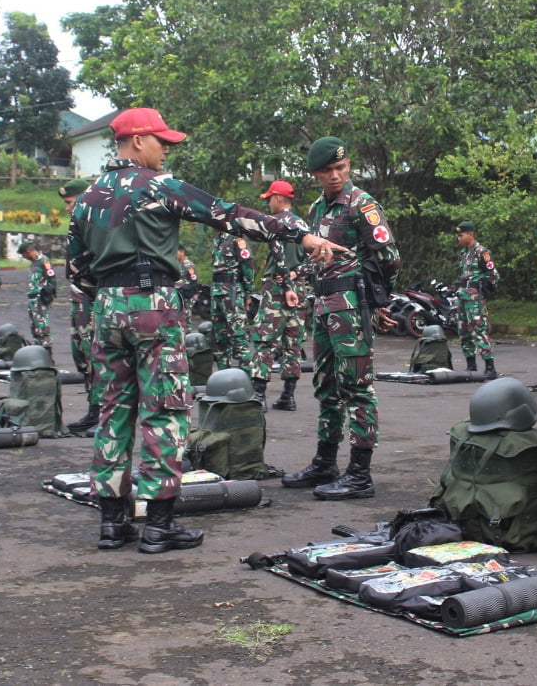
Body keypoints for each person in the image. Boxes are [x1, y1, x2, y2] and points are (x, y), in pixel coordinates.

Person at [64, 108, 343, 552]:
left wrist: (111, 294)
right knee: (164, 411)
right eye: (161, 142)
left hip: (107, 309)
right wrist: (298, 235)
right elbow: (227, 215)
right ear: (138, 140)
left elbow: (76, 272)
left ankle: (113, 523)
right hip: (153, 305)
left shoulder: (89, 196)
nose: (166, 150)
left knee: (112, 412)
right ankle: (158, 524)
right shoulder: (159, 186)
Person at [282, 136, 401, 501]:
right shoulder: (318, 209)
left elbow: (389, 257)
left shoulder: (361, 205)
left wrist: (378, 301)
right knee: (327, 387)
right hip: (324, 305)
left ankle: (360, 474)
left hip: (352, 304)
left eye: (340, 168)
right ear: (315, 174)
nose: (335, 175)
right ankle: (325, 462)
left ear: (348, 166)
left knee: (357, 387)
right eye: (327, 171)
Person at [250, 180, 311, 410]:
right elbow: (314, 258)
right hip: (301, 289)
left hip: (277, 289)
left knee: (265, 340)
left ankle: (259, 395)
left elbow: (278, 256)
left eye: (269, 200)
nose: (268, 205)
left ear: (277, 198)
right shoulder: (302, 224)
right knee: (293, 343)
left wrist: (285, 283)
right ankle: (288, 396)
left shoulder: (275, 224)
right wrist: (296, 275)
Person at [58, 179, 99, 435]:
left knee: (98, 357)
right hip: (81, 297)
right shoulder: (80, 224)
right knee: (82, 354)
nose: (66, 208)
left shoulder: (96, 225)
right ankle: (93, 410)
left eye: (69, 202)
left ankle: (103, 414)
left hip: (96, 299)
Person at [453, 221, 500, 377]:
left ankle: (489, 367)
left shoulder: (481, 252)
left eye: (461, 235)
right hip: (462, 296)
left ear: (471, 234)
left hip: (474, 298)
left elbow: (493, 275)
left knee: (478, 329)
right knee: (463, 330)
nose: (458, 238)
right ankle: (471, 365)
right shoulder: (465, 253)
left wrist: (483, 292)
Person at [209, 230, 255, 370]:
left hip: (232, 291)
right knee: (221, 337)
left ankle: (247, 378)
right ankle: (224, 378)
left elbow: (247, 266)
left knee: (238, 335)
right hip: (217, 291)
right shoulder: (218, 239)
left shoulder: (237, 240)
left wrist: (249, 292)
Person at [22, 243, 57, 348]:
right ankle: (38, 348)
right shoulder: (34, 263)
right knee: (34, 326)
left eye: (24, 255)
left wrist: (50, 296)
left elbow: (52, 279)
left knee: (42, 325)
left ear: (29, 251)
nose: (25, 258)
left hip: (40, 298)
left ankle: (46, 350)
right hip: (32, 298)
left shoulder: (44, 261)